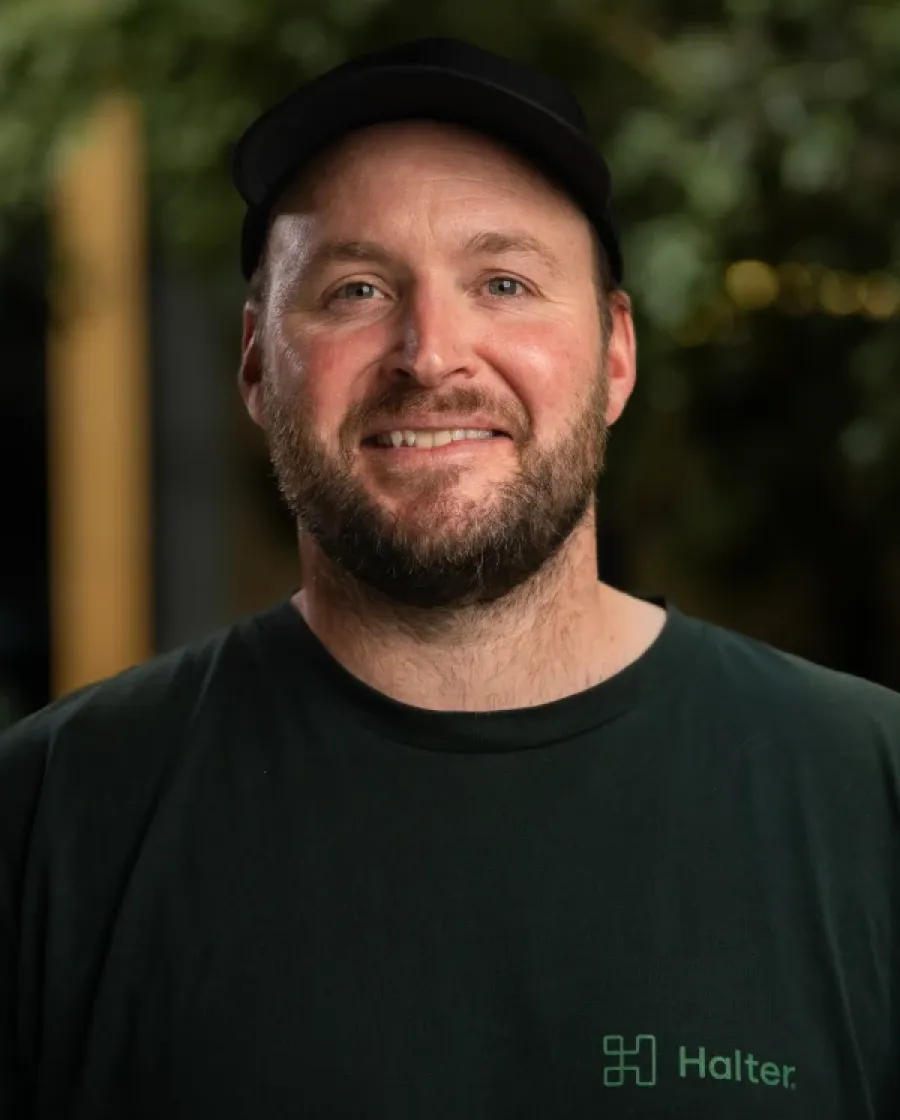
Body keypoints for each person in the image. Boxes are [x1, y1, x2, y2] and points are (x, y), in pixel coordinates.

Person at [1, 36, 898, 1120]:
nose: (431, 353)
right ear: (255, 363)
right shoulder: (49, 819)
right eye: (356, 288)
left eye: (505, 282)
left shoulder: (872, 794)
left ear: (616, 356)